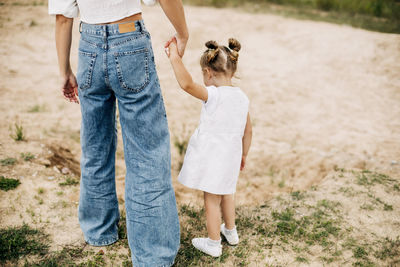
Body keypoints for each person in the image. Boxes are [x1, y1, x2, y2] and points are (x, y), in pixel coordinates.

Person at [49, 0, 188, 266]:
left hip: (88, 44)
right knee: (147, 152)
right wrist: (182, 33)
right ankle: (153, 254)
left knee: (95, 144)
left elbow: (63, 18)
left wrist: (64, 70)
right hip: (129, 40)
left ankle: (99, 230)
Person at [165, 37, 253, 257]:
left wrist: (175, 57)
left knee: (211, 198)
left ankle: (214, 243)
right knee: (227, 192)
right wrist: (244, 154)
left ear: (208, 72)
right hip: (232, 155)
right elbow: (248, 130)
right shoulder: (242, 98)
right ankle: (231, 232)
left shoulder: (213, 95)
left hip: (214, 156)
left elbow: (186, 84)